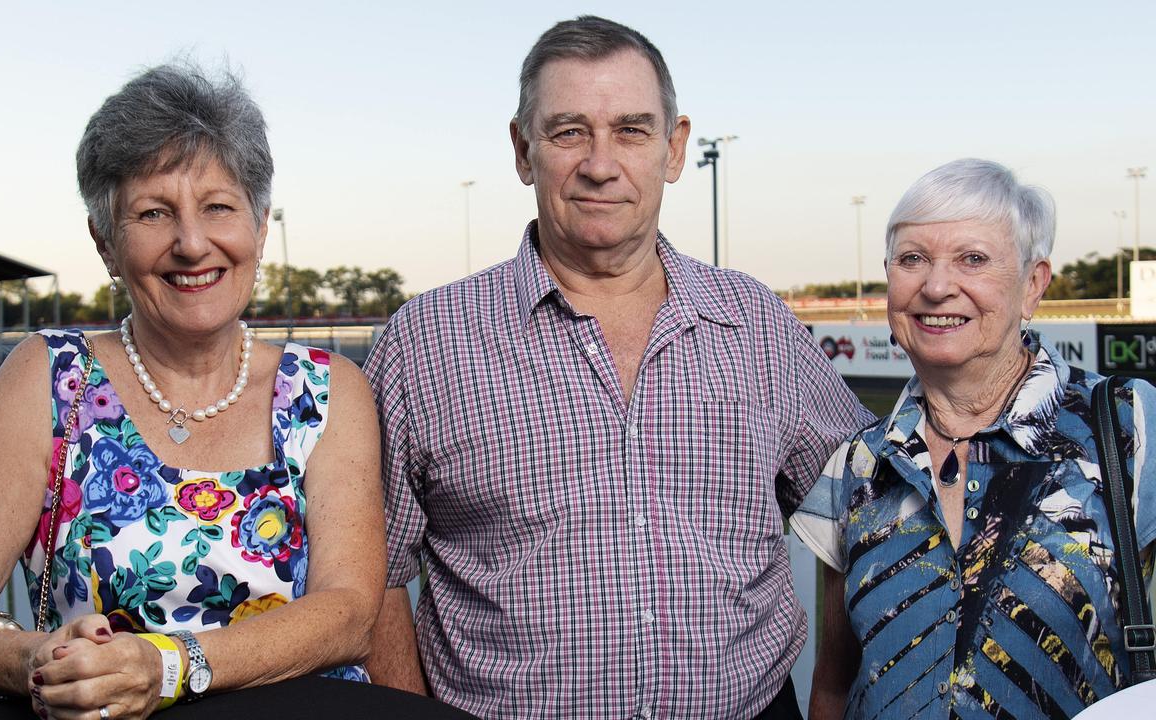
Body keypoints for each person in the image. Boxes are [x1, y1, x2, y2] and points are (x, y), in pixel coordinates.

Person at [362, 15, 872, 719]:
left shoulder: (756, 324)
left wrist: (831, 700)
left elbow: (863, 513)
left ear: (674, 147)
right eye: (569, 131)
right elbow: (375, 575)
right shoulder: (426, 342)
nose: (601, 164)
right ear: (522, 149)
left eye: (631, 130)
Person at [0, 63, 386, 719]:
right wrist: (32, 661)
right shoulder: (49, 379)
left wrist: (170, 665)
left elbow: (349, 615)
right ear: (106, 245)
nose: (191, 243)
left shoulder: (325, 390)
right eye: (153, 213)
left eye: (218, 207)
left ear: (260, 228)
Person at [793, 158, 1156, 719]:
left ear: (1032, 285)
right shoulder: (856, 462)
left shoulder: (1131, 425)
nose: (937, 286)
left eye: (973, 259)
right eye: (912, 259)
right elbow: (834, 682)